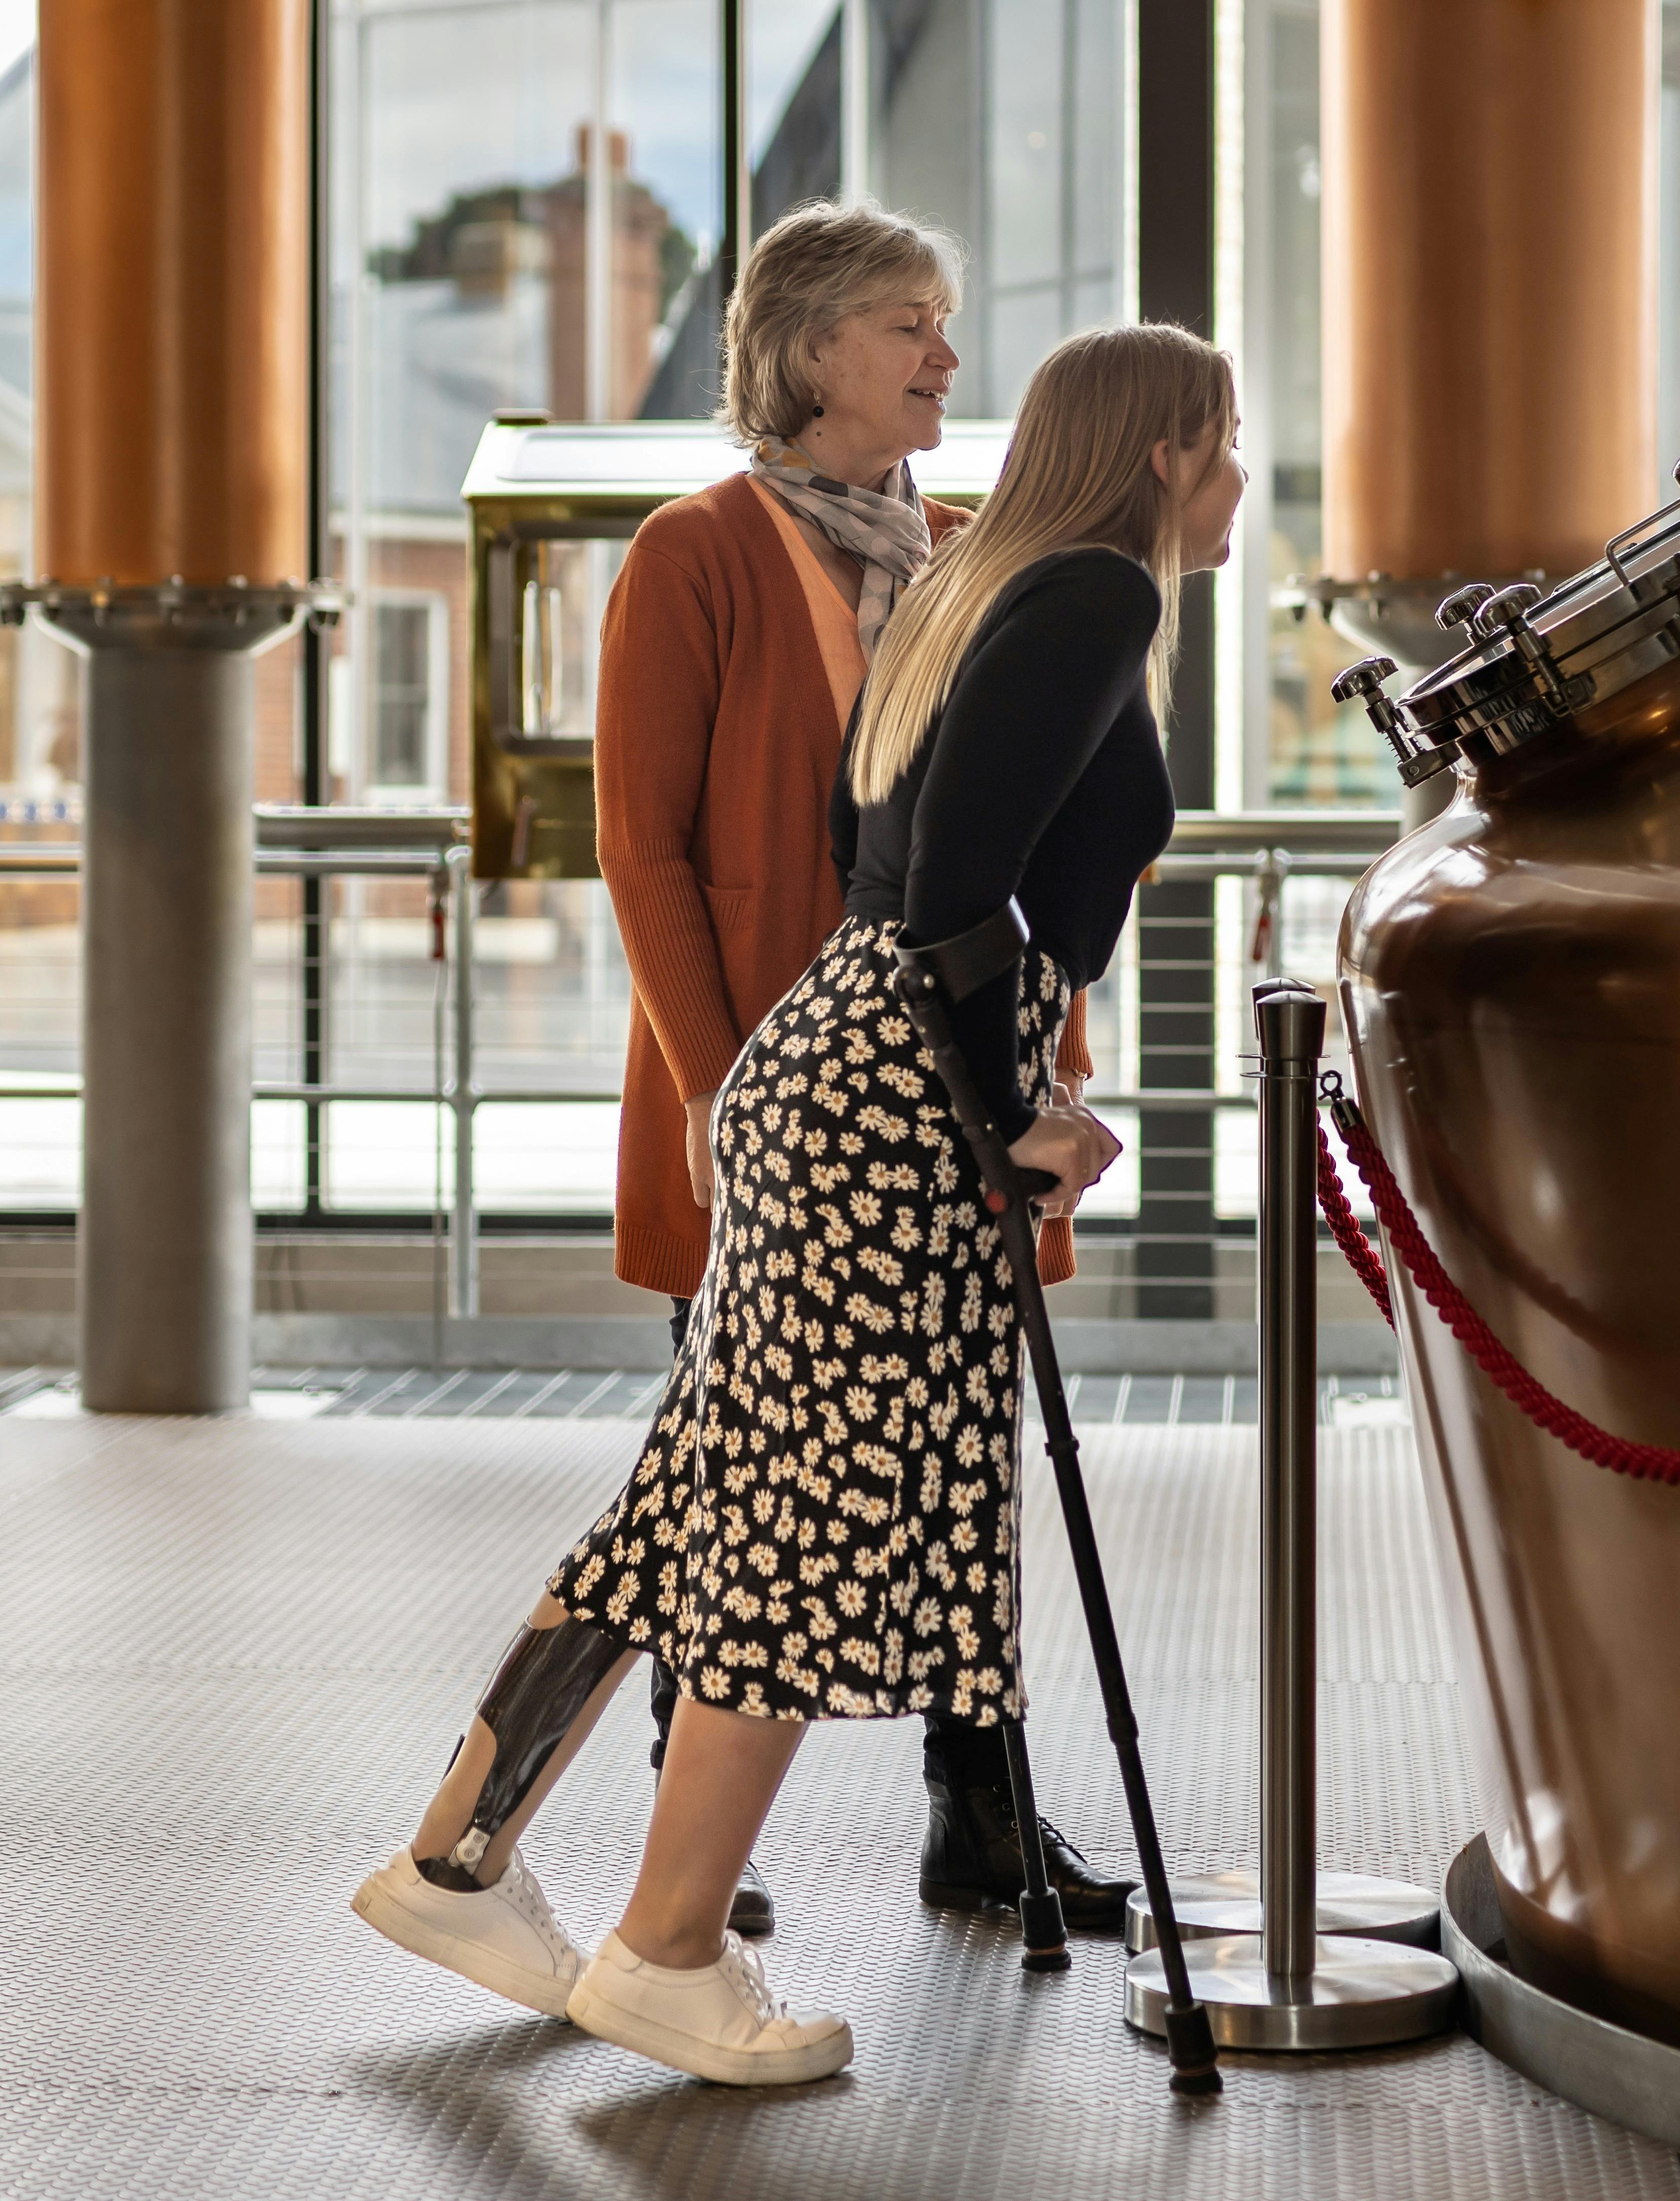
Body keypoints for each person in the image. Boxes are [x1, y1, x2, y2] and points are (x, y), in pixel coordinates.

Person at [351, 323, 1244, 2087]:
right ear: (1157, 452)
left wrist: (1005, 1089)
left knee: (701, 1491)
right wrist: (1022, 1113)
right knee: (800, 1516)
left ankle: (458, 1861)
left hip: (821, 1065)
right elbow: (959, 895)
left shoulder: (969, 580)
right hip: (892, 1106)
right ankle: (670, 1953)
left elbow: (877, 867)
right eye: (1222, 443)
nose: (1237, 480)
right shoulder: (1089, 596)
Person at [578, 201, 1121, 1943]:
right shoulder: (695, 553)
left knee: (972, 1443)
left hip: (955, 1086)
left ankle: (983, 1815)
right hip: (770, 1081)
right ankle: (697, 1848)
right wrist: (712, 1084)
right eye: (909, 322)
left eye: (943, 323)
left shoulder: (974, 551)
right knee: (731, 1465)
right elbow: (642, 848)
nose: (945, 356)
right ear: (810, 347)